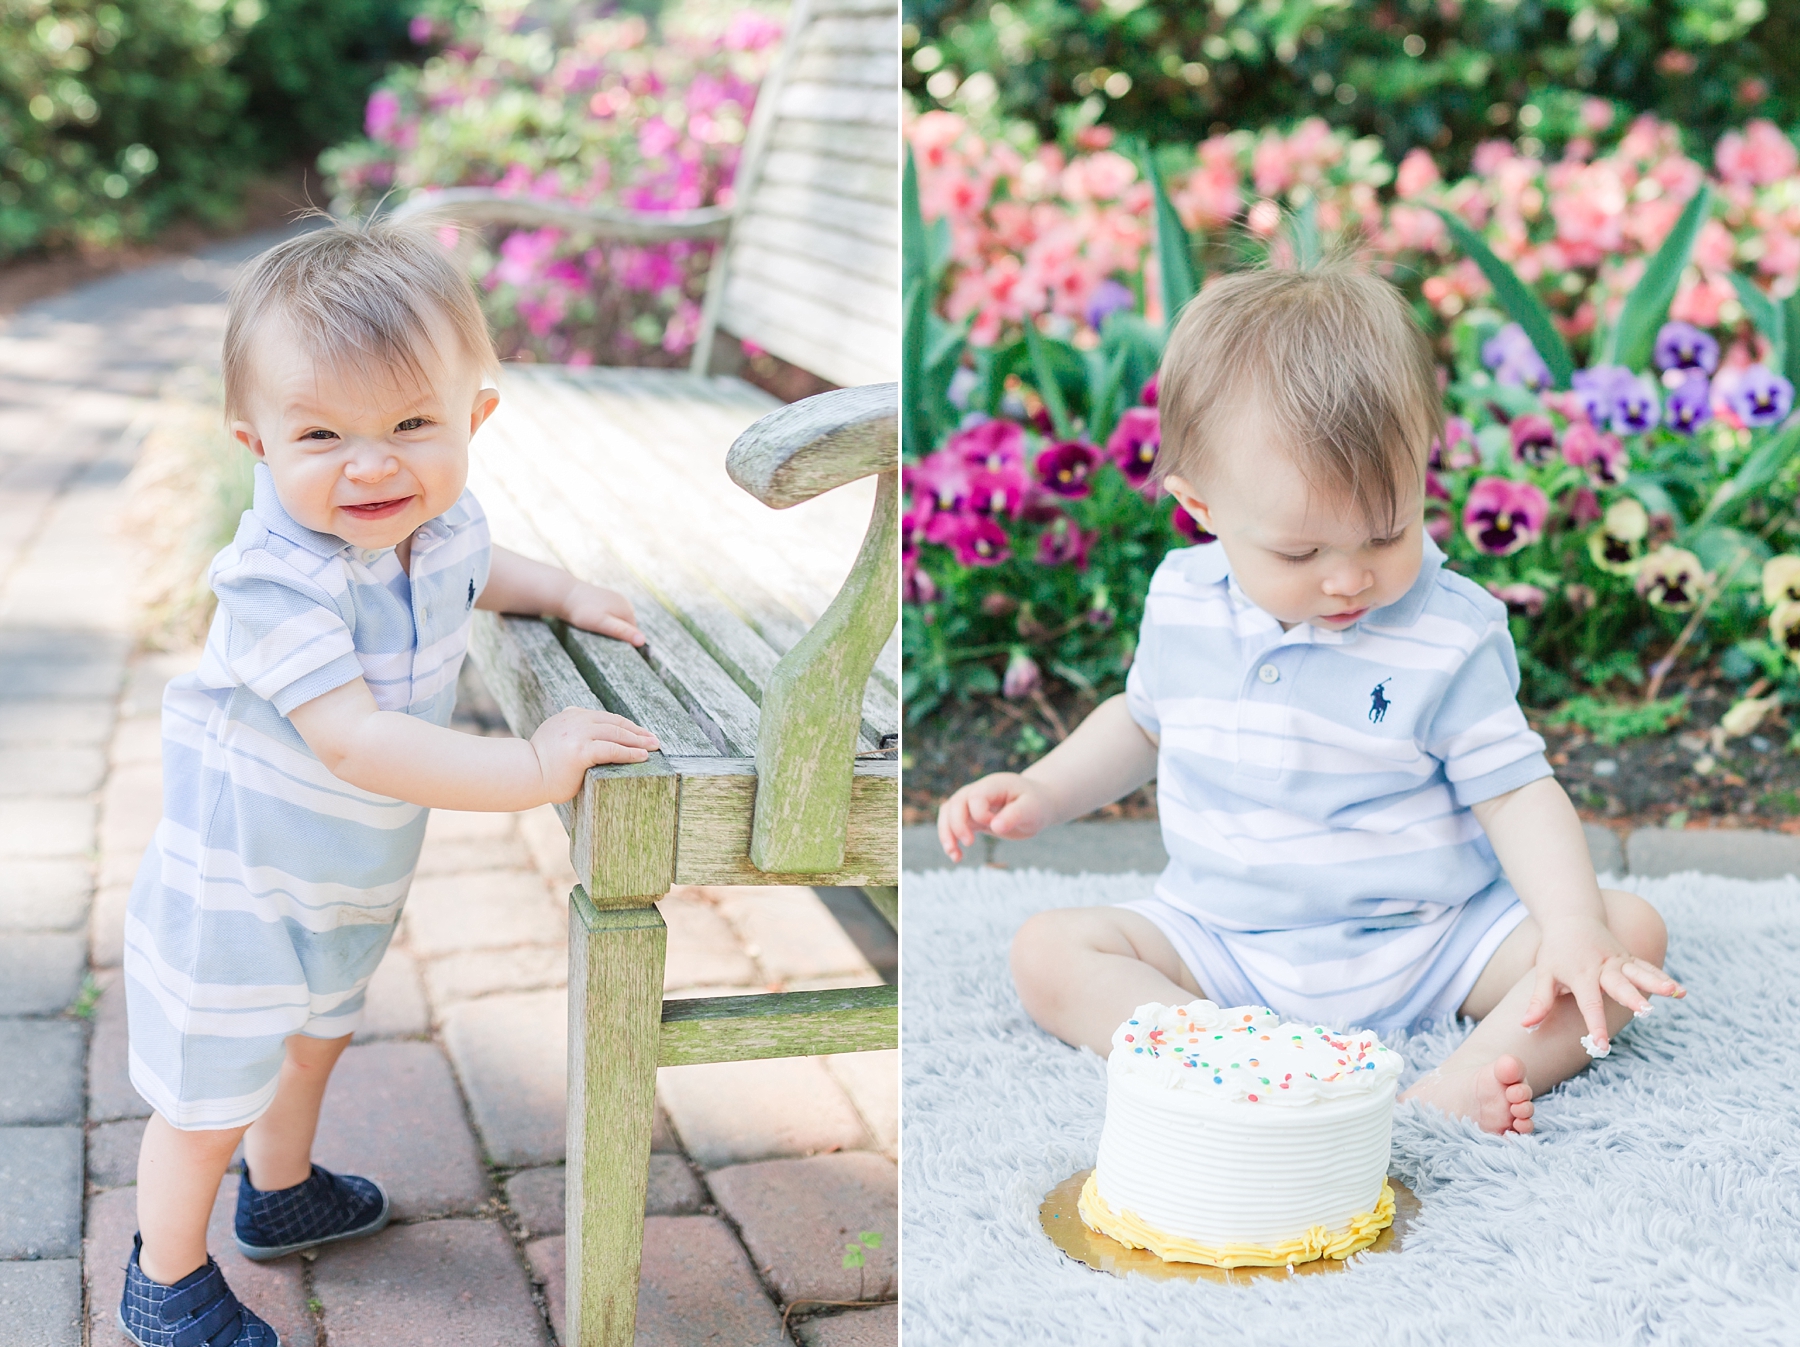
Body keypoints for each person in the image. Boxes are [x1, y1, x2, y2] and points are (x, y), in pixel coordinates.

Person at [937, 261, 1684, 1139]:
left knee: (1623, 930)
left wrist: (1568, 925)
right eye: (1298, 553)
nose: (1349, 577)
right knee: (1047, 952)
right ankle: (1226, 1056)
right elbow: (1142, 721)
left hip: (1433, 942)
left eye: (1387, 530)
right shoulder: (1182, 599)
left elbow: (1516, 791)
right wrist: (1045, 788)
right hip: (1222, 942)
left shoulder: (1450, 631)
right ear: (1201, 506)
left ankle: (1459, 1084)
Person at [118, 218, 660, 1346]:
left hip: (344, 872)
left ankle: (283, 1191)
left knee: (319, 1033)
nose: (372, 464)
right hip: (241, 883)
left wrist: (560, 591)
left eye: (411, 424)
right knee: (208, 1091)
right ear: (252, 440)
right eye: (322, 434)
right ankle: (162, 1281)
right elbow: (357, 741)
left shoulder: (439, 520)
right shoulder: (276, 582)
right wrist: (532, 765)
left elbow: (477, 568)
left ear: (477, 417)